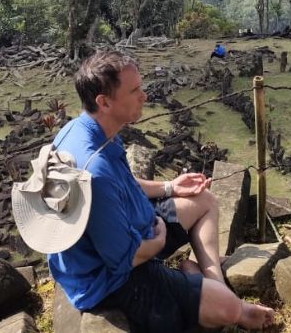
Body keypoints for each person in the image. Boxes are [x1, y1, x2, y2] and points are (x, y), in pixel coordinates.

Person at [46, 50, 274, 332]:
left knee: (203, 200)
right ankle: (216, 295)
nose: (144, 96)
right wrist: (158, 241)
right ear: (104, 102)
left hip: (133, 228)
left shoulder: (81, 130)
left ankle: (211, 280)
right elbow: (123, 259)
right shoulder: (95, 172)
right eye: (135, 90)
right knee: (229, 308)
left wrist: (170, 187)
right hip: (113, 277)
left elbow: (124, 185)